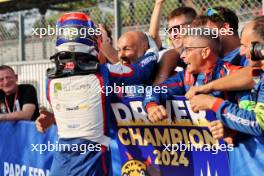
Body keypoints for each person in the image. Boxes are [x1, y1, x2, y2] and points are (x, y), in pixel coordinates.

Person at [35, 12, 158, 176]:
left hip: (61, 161)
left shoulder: (49, 78)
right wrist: (153, 49)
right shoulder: (103, 73)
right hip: (92, 161)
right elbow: (140, 72)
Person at [188, 16, 264, 176]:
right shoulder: (257, 76)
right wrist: (233, 131)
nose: (242, 52)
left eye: (245, 46)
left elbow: (258, 123)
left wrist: (213, 103)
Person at [143, 28, 243, 123]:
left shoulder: (234, 74)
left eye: (188, 49)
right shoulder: (187, 76)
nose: (182, 56)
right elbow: (156, 89)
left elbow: (248, 118)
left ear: (205, 52)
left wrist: (230, 129)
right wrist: (151, 105)